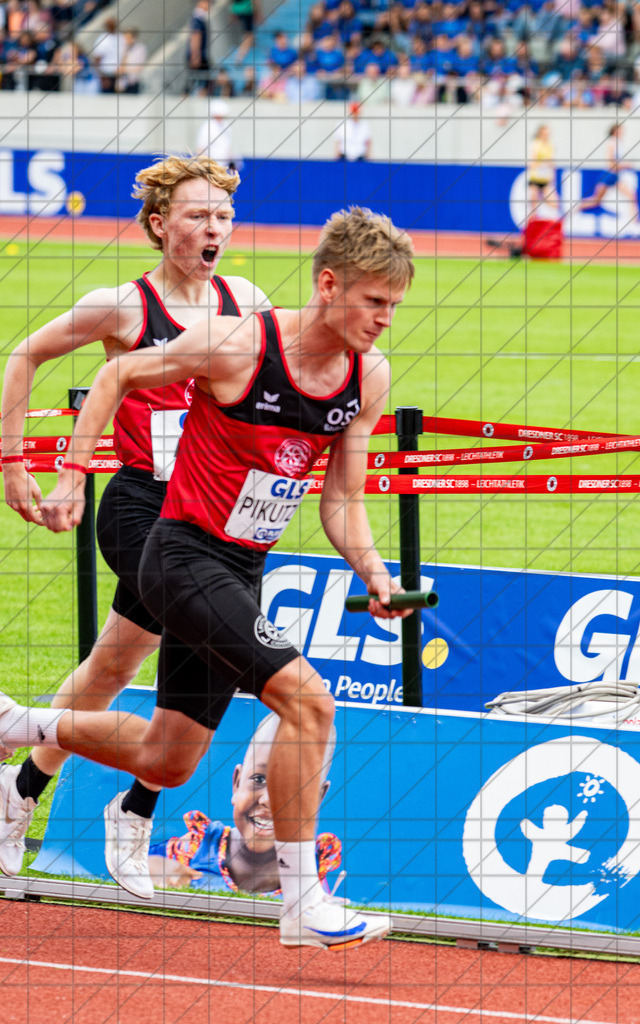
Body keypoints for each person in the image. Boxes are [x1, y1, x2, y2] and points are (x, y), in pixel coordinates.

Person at [0, 205, 415, 950]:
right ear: (329, 284)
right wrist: (72, 473)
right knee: (309, 703)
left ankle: (16, 725)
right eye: (374, 301)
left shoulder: (368, 376)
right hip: (180, 554)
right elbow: (120, 370)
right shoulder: (240, 343)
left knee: (169, 758)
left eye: (394, 305)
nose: (385, 319)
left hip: (241, 570)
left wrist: (375, 571)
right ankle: (300, 901)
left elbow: (342, 500)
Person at [0, 155, 270, 895]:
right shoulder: (122, 306)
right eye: (195, 215)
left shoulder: (244, 299)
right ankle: (132, 808)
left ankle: (22, 792)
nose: (212, 228)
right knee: (211, 632)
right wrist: (21, 464)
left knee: (115, 667)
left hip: (217, 510)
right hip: (142, 505)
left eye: (221, 215)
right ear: (158, 225)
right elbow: (24, 355)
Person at [149, 712, 342, 894]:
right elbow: (126, 866)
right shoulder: (193, 852)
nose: (268, 801)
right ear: (237, 783)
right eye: (259, 779)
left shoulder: (312, 877)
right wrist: (152, 865)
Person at [579, 124, 640, 231]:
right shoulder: (612, 142)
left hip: (616, 176)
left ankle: (634, 225)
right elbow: (611, 162)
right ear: (614, 131)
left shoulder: (620, 143)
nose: (622, 132)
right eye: (619, 130)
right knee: (596, 200)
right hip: (608, 174)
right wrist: (625, 165)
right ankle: (574, 209)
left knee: (631, 196)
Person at [527, 124, 558, 218]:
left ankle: (551, 224)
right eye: (545, 133)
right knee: (533, 206)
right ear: (540, 134)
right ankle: (530, 227)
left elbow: (552, 163)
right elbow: (532, 162)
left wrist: (553, 176)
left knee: (554, 202)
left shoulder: (550, 145)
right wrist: (542, 164)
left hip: (545, 179)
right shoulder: (535, 144)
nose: (546, 135)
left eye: (548, 134)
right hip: (535, 178)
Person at [195, 98, 234, 168]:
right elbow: (201, 148)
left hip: (223, 166)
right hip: (210, 165)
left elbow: (228, 146)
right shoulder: (207, 127)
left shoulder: (226, 126)